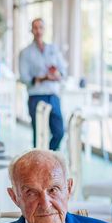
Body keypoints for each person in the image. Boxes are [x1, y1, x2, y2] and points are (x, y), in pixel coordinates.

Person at [19, 18, 67, 151]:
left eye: (40, 27)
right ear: (31, 30)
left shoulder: (54, 49)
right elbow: (24, 78)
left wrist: (57, 75)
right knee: (39, 134)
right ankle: (39, 163)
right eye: (35, 27)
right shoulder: (25, 53)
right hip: (36, 96)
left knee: (59, 132)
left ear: (44, 29)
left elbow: (63, 72)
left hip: (53, 95)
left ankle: (49, 157)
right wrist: (43, 78)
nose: (38, 30)